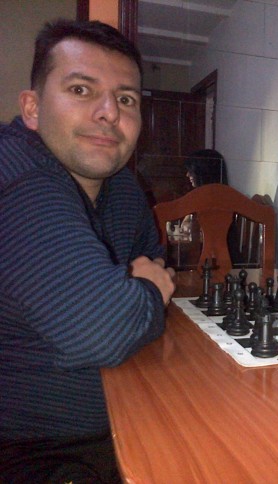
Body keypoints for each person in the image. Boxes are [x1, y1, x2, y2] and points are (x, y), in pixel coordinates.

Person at [0, 19, 175, 482]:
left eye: (126, 99)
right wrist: (137, 293)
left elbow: (155, 268)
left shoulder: (122, 186)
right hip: (32, 449)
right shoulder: (18, 172)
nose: (109, 113)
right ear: (32, 107)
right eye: (81, 90)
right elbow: (105, 330)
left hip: (128, 414)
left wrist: (133, 293)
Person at [167, 148, 244, 267]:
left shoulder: (211, 203)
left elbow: (194, 242)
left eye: (191, 171)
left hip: (210, 263)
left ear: (203, 173)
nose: (187, 175)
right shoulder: (222, 197)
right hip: (212, 260)